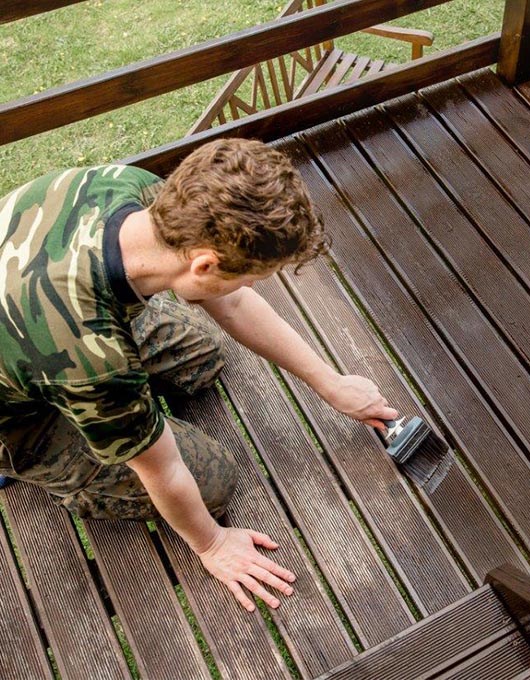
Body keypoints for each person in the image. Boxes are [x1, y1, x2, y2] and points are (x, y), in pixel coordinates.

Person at [0, 138, 398, 613]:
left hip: (49, 299)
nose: (251, 285)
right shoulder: (93, 358)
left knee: (199, 357)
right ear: (205, 264)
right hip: (23, 407)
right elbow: (160, 469)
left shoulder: (140, 191)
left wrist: (330, 383)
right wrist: (212, 544)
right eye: (253, 276)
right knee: (212, 481)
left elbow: (231, 301)